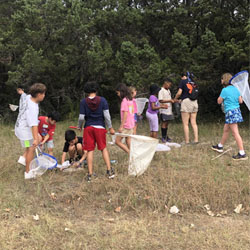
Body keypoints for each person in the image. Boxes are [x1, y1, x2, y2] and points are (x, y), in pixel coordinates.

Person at [78, 82, 115, 181]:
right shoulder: (102, 100)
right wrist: (110, 127)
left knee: (90, 150)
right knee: (103, 148)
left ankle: (90, 174)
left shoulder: (83, 102)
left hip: (88, 127)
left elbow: (81, 117)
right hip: (100, 127)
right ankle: (109, 170)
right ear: (96, 90)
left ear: (86, 91)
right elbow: (107, 116)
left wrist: (79, 126)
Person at [211, 73, 248, 160]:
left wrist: (223, 98)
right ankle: (220, 146)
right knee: (226, 130)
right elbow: (241, 101)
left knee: (235, 133)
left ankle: (242, 153)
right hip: (236, 111)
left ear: (224, 80)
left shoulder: (225, 90)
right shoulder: (236, 89)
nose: (221, 80)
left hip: (230, 112)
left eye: (222, 79)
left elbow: (219, 101)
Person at [15, 83, 46, 179]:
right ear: (39, 94)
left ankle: (23, 159)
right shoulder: (33, 108)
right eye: (44, 93)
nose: (44, 96)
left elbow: (23, 95)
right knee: (31, 149)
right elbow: (34, 126)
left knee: (39, 138)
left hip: (22, 127)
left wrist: (21, 92)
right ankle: (28, 172)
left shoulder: (28, 97)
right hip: (25, 131)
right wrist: (35, 139)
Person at [174, 72, 199, 144]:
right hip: (194, 101)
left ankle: (187, 141)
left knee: (185, 123)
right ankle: (196, 140)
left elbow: (179, 92)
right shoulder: (194, 82)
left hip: (186, 102)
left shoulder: (183, 81)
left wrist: (175, 98)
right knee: (194, 122)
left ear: (183, 76)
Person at [115, 83, 135, 153]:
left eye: (118, 93)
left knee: (117, 141)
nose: (117, 94)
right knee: (128, 140)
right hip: (131, 124)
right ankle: (133, 155)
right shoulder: (130, 99)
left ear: (121, 91)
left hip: (126, 125)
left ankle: (131, 154)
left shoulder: (124, 101)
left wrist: (121, 126)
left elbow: (125, 114)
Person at [158, 78, 175, 142]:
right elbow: (161, 100)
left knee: (167, 123)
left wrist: (173, 101)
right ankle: (163, 137)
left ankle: (166, 136)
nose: (169, 86)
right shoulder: (161, 91)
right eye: (169, 85)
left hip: (168, 109)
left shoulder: (168, 90)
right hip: (163, 110)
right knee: (164, 123)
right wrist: (169, 100)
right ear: (165, 83)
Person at [16, 85, 28, 166]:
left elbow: (24, 108)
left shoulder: (24, 96)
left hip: (23, 122)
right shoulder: (24, 96)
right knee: (29, 145)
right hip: (24, 124)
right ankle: (24, 158)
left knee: (28, 144)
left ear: (20, 89)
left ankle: (24, 158)